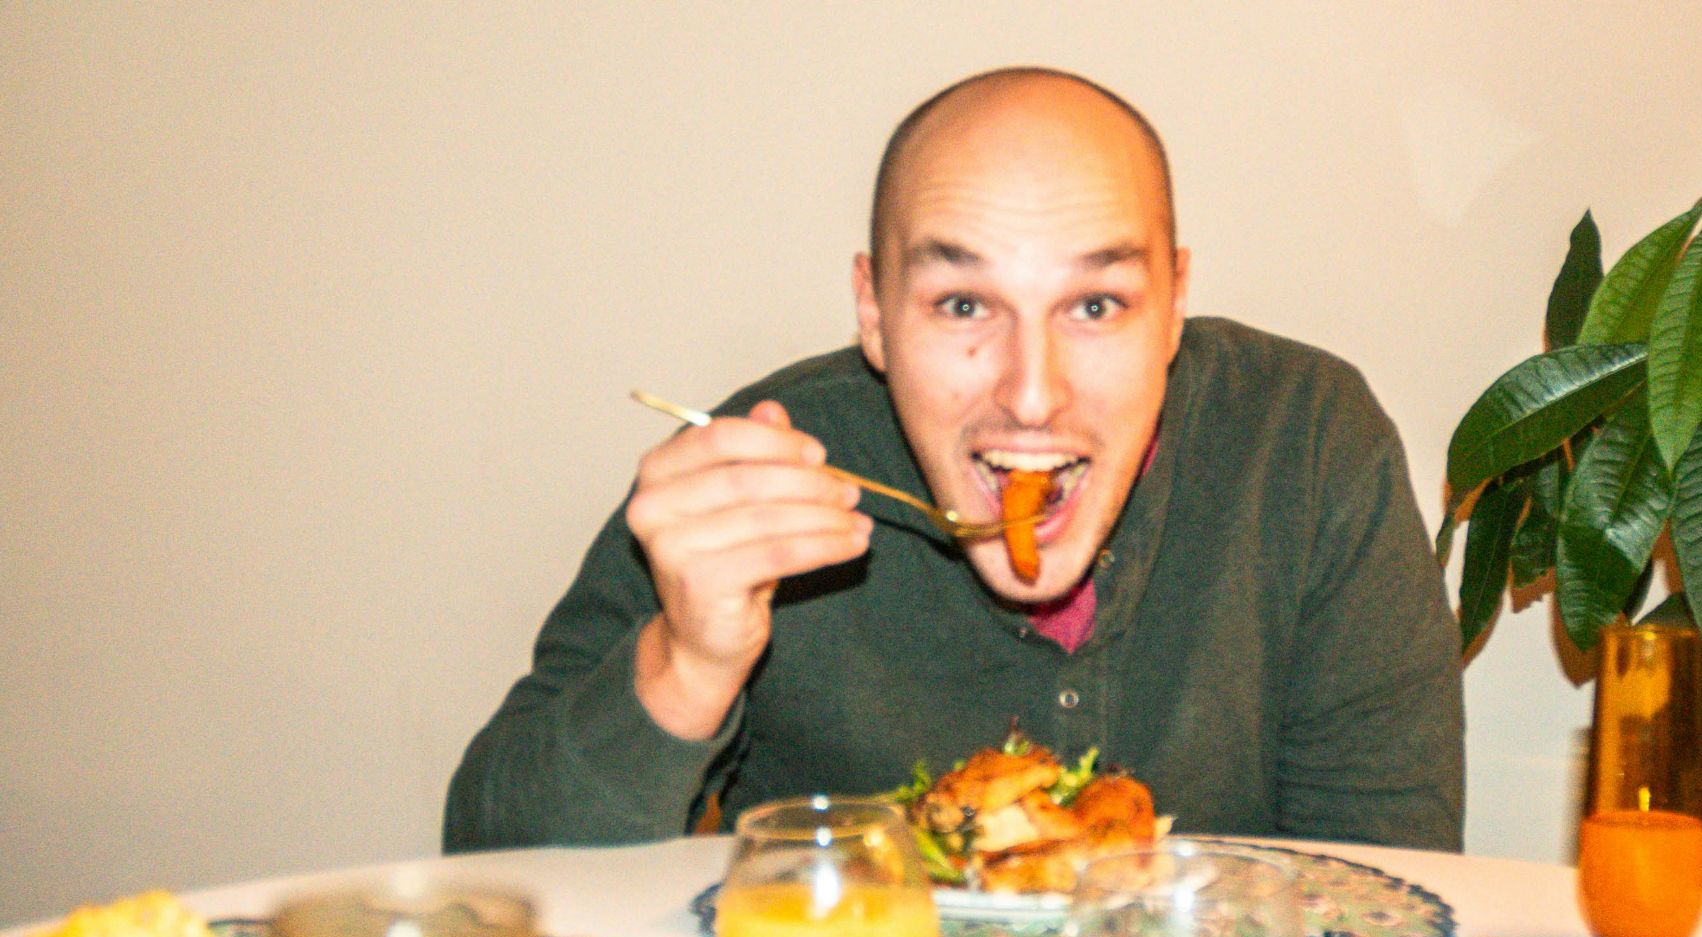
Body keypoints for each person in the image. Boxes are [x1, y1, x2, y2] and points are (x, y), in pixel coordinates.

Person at [443, 68, 1465, 854]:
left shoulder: (1307, 442)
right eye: (964, 304)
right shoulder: (755, 479)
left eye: (1096, 304)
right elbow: (496, 873)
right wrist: (687, 662)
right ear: (874, 312)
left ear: (1173, 305)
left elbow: (1389, 892)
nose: (1031, 393)